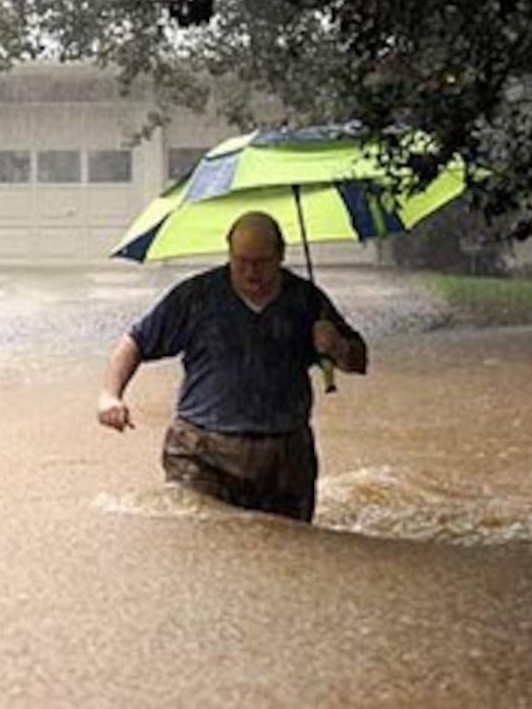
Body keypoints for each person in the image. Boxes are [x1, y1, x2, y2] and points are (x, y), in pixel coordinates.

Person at [96, 211, 367, 522]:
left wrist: (338, 347)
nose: (251, 272)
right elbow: (135, 343)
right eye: (242, 261)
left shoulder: (306, 300)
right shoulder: (196, 296)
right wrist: (110, 395)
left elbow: (358, 362)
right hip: (201, 452)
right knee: (208, 549)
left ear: (280, 254)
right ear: (229, 253)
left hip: (284, 456)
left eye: (261, 262)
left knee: (289, 549)